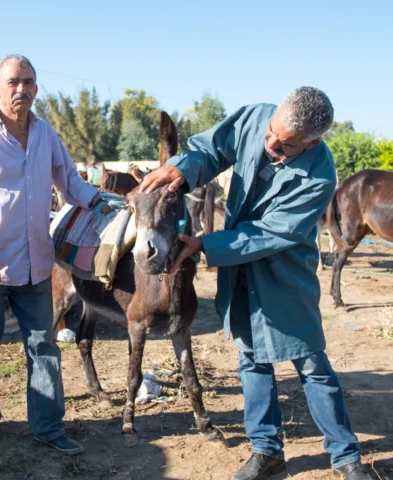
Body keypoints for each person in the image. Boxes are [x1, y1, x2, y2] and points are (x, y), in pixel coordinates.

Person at [139, 87, 372, 480]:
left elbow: (270, 233)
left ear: (312, 142)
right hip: (238, 267)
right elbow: (211, 149)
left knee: (311, 361)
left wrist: (206, 245)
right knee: (251, 359)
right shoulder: (255, 117)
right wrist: (183, 166)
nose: (270, 145)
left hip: (283, 273)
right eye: (270, 134)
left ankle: (345, 456)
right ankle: (267, 450)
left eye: (284, 145)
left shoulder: (320, 175)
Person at [0, 54, 107, 455]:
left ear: (37, 88)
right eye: (14, 82)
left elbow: (70, 182)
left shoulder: (45, 134)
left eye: (29, 82)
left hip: (36, 262)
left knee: (44, 345)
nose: (22, 89)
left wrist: (105, 203)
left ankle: (47, 426)